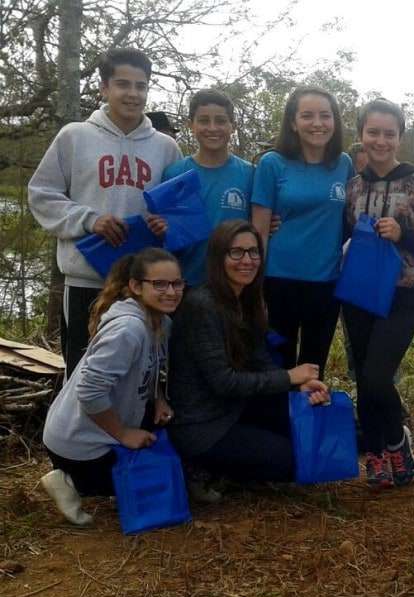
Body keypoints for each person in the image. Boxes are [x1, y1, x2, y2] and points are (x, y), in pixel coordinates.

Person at [28, 47, 181, 375]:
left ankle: (131, 428)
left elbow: (178, 210)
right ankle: (77, 429)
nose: (133, 93)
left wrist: (164, 224)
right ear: (104, 87)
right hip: (86, 278)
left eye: (141, 86)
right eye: (123, 84)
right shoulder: (75, 136)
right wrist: (90, 220)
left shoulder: (166, 147)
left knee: (138, 373)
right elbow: (41, 194)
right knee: (83, 373)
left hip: (142, 284)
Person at [167, 220, 329, 486]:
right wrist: (289, 377)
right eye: (237, 252)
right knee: (290, 461)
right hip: (202, 426)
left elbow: (259, 360)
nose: (247, 260)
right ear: (219, 257)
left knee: (305, 433)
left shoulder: (246, 299)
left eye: (254, 252)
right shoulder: (202, 305)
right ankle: (198, 468)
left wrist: (298, 388)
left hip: (234, 409)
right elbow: (224, 382)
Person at [39, 248, 183, 525]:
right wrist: (123, 434)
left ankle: (98, 475)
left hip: (99, 430)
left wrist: (159, 398)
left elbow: (150, 367)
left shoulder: (161, 321)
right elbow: (89, 391)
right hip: (77, 443)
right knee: (157, 483)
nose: (171, 292)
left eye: (177, 283)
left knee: (167, 472)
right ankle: (70, 480)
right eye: (160, 284)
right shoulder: (128, 330)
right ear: (136, 287)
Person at [342, 99, 414, 490]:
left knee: (378, 376)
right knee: (362, 376)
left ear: (400, 137)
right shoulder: (352, 187)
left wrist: (403, 233)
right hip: (358, 290)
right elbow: (342, 235)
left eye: (388, 133)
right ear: (360, 135)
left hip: (403, 292)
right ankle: (374, 452)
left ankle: (397, 440)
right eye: (372, 132)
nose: (380, 140)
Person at [251, 86, 354, 374]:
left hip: (326, 282)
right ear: (293, 123)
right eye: (307, 116)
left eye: (325, 115)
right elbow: (259, 230)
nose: (317, 123)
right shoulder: (272, 163)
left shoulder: (343, 164)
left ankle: (308, 420)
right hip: (277, 281)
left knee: (313, 365)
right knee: (275, 363)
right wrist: (255, 288)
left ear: (335, 121)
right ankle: (274, 420)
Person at [162, 90, 254, 287]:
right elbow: (166, 232)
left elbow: (260, 224)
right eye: (204, 120)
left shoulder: (250, 174)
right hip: (187, 283)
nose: (212, 128)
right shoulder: (174, 174)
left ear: (233, 126)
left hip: (237, 286)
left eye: (220, 121)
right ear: (191, 125)